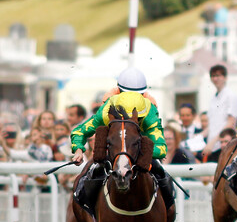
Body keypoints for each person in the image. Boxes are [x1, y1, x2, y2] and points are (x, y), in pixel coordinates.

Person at [70, 69, 174, 212]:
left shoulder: (149, 112)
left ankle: (168, 218)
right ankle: (87, 219)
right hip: (112, 155)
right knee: (88, 180)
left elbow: (161, 149)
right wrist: (78, 150)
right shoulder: (107, 110)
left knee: (162, 177)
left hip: (140, 155)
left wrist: (139, 151)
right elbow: (79, 132)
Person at [202, 64, 237, 158]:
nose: (215, 79)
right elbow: (211, 124)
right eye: (213, 76)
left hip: (223, 145)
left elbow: (230, 122)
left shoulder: (230, 96)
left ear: (225, 77)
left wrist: (213, 142)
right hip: (212, 146)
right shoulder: (213, 98)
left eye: (218, 75)